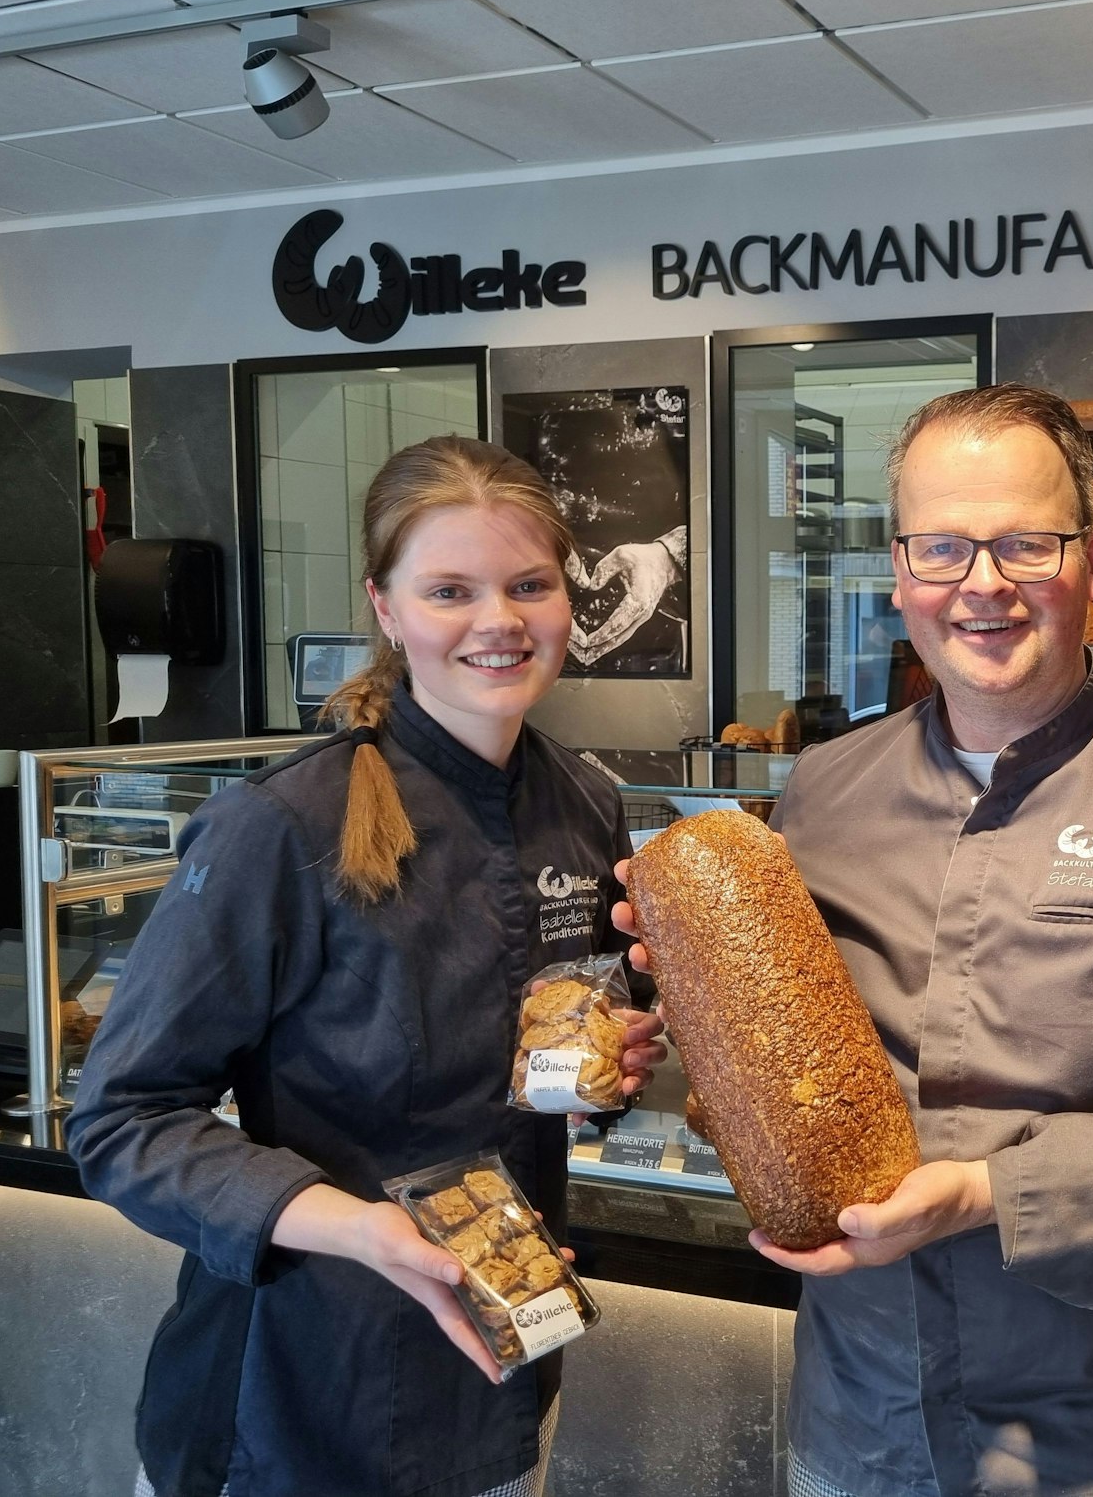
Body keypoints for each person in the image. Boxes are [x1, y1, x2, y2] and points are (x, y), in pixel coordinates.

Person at [616, 385, 1093, 1497]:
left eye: (1023, 546)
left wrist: (984, 1196)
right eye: (941, 549)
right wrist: (689, 1014)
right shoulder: (826, 792)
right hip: (857, 1417)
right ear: (900, 575)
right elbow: (788, 1070)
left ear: (1092, 562)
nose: (981, 586)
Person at [70, 436, 667, 1497]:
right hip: (299, 1394)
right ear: (385, 608)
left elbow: (556, 1068)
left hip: (504, 1368)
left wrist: (604, 1072)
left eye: (528, 585)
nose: (499, 620)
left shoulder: (584, 802)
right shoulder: (279, 826)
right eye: (450, 589)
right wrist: (362, 1230)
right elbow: (122, 1121)